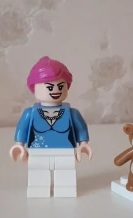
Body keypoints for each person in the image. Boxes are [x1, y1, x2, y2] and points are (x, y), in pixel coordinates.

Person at [9, 56, 93, 197]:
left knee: (65, 173)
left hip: (65, 150)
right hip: (38, 150)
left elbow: (80, 128)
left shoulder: (72, 113)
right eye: (49, 87)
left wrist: (83, 143)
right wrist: (19, 145)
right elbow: (22, 128)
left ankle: (66, 190)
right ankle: (38, 190)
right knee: (38, 173)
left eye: (60, 86)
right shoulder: (30, 113)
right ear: (34, 87)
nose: (55, 91)